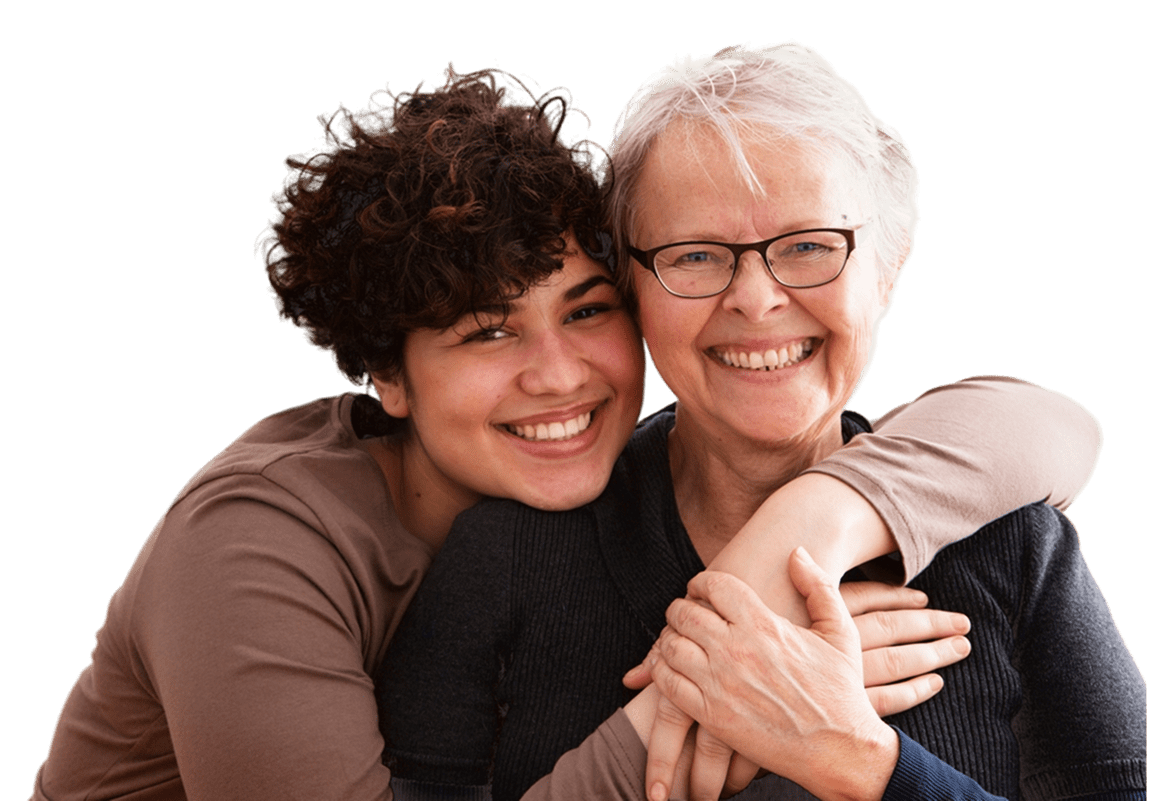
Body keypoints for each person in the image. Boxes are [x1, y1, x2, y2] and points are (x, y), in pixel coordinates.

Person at [29, 65, 1104, 801]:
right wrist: (726, 691)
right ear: (385, 377)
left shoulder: (1001, 542)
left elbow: (1048, 425)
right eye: (487, 330)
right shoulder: (256, 545)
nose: (561, 373)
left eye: (586, 310)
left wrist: (802, 547)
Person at [376, 44, 1146, 801]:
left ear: (886, 271)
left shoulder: (1016, 548)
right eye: (696, 255)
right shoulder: (504, 556)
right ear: (632, 288)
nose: (755, 298)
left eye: (810, 245)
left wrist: (856, 758)